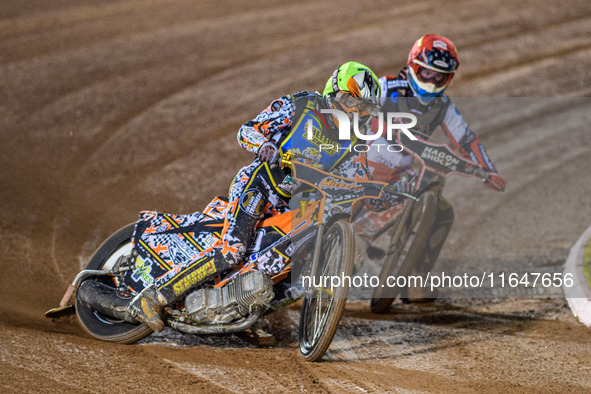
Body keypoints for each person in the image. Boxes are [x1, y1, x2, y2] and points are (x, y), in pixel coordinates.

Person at [127, 61, 405, 331]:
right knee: (232, 251)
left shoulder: (354, 141)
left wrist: (383, 196)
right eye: (350, 101)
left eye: (363, 107)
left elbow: (357, 180)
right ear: (333, 91)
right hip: (260, 185)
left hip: (293, 208)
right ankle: (154, 297)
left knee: (295, 281)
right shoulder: (302, 104)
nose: (355, 111)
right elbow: (247, 131)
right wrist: (265, 146)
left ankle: (239, 313)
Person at [357, 34, 506, 295]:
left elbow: (466, 139)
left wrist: (489, 170)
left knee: (442, 211)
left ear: (448, 78)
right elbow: (352, 108)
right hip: (365, 161)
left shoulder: (443, 105)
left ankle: (415, 279)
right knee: (344, 198)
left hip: (404, 170)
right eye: (426, 72)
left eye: (439, 76)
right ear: (413, 65)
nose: (431, 81)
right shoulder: (386, 86)